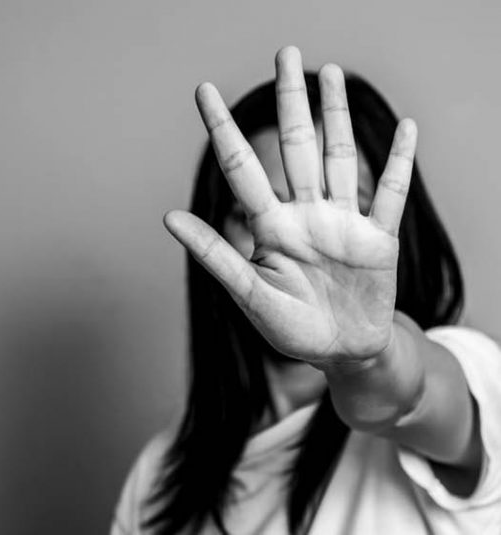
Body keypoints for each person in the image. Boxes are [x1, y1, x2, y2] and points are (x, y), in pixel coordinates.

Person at [111, 46, 501, 534]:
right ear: (220, 233)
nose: (304, 248)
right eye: (264, 214)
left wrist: (359, 360)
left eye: (347, 211)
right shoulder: (157, 476)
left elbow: (413, 393)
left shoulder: (470, 372)